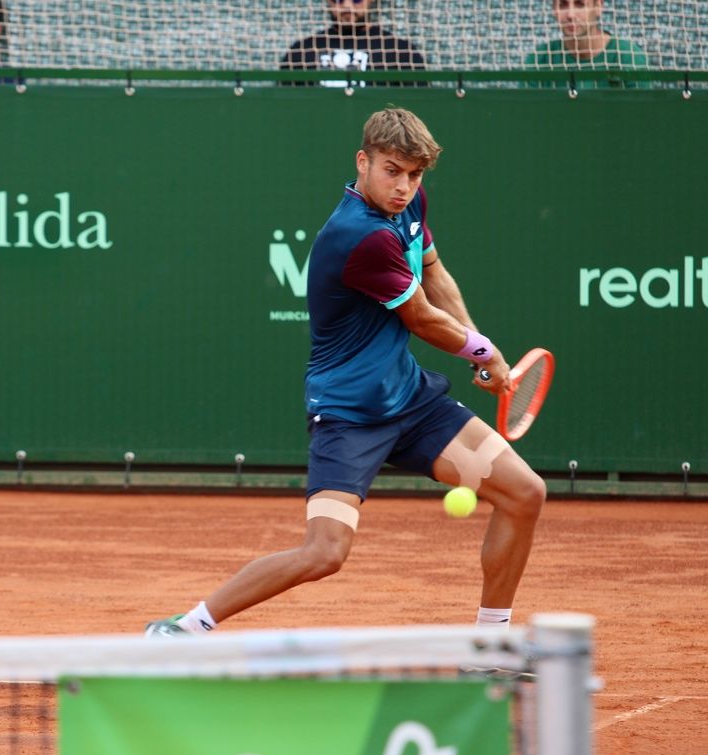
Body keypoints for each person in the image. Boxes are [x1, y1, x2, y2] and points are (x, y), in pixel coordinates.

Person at [146, 108, 546, 641]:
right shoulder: (360, 236)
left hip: (410, 401)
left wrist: (480, 346)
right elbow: (422, 316)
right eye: (392, 170)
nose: (404, 186)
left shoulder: (408, 207)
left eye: (414, 174)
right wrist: (484, 353)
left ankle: (492, 644)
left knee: (525, 493)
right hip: (349, 415)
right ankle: (185, 627)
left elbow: (435, 274)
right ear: (363, 161)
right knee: (324, 554)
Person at [280, 0, 426, 88]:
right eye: (339, 0)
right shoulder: (302, 51)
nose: (347, 6)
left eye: (356, 0)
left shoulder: (399, 52)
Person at [524, 0, 649, 88]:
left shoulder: (629, 56)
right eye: (563, 4)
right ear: (554, 10)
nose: (570, 15)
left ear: (598, 6)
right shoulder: (538, 60)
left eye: (580, 4)